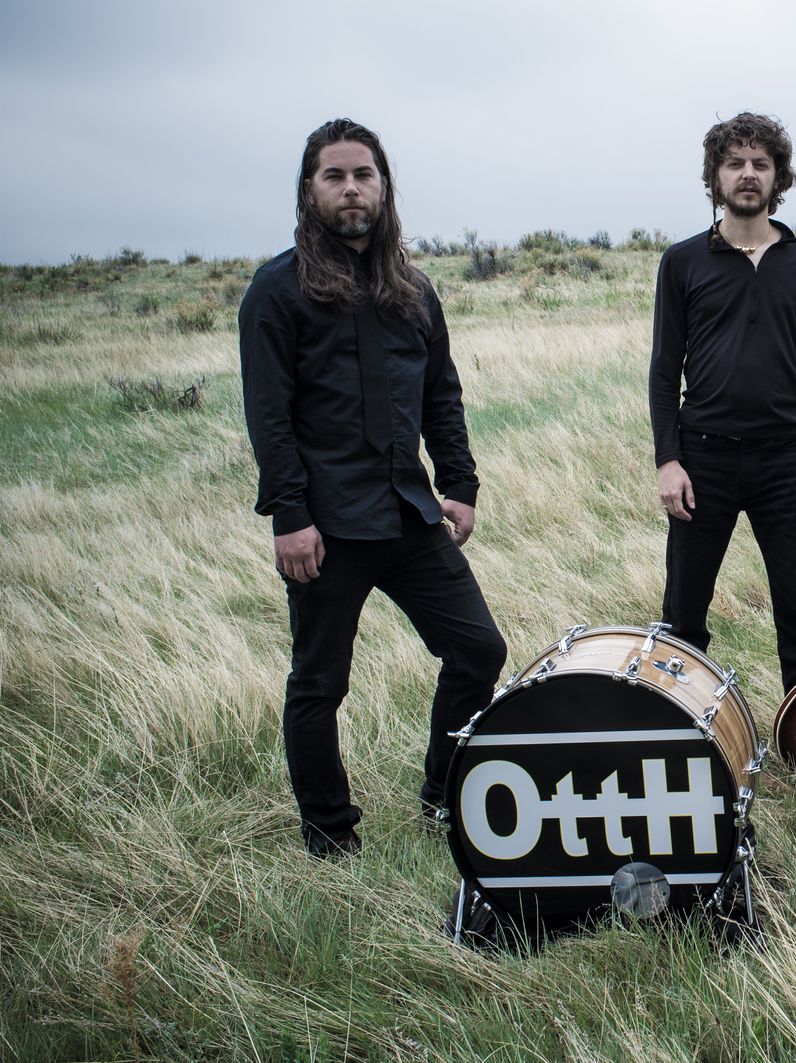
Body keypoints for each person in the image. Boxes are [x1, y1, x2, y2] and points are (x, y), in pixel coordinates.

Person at [240, 118, 507, 858]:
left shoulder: (412, 291)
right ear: (309, 191)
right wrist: (289, 516)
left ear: (384, 188)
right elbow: (269, 415)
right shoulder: (277, 291)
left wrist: (459, 483)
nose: (351, 188)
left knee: (478, 651)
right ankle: (330, 836)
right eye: (335, 176)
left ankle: (444, 798)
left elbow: (441, 395)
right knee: (319, 683)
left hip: (407, 515)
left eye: (364, 175)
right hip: (325, 526)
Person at [650, 112, 796, 694]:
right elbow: (664, 368)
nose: (748, 174)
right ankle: (685, 727)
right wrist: (668, 459)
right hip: (702, 459)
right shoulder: (682, 262)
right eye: (735, 163)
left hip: (782, 460)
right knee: (684, 610)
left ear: (778, 176)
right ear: (716, 176)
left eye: (760, 163)